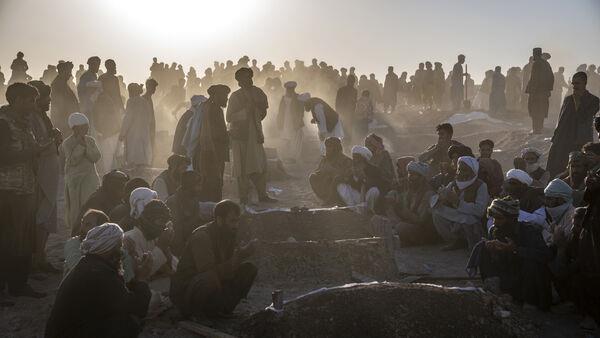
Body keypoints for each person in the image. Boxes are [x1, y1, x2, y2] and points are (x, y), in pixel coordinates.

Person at [45, 223, 151, 338]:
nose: (122, 253)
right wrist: (142, 279)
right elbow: (139, 307)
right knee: (129, 322)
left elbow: (119, 294)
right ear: (109, 248)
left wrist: (136, 277)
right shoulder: (98, 273)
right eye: (119, 247)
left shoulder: (89, 264)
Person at [170, 200, 258, 317]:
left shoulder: (228, 234)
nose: (236, 225)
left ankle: (221, 309)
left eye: (237, 221)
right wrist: (238, 257)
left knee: (249, 269)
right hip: (187, 291)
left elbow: (227, 269)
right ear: (219, 220)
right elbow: (209, 272)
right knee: (209, 278)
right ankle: (197, 314)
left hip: (213, 283)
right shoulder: (202, 237)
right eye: (232, 221)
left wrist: (242, 254)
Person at [0, 83, 45, 298]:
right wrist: (32, 152)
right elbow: (3, 157)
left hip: (25, 189)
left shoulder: (24, 123)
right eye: (30, 100)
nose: (33, 105)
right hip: (7, 192)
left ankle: (19, 285)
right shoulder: (3, 124)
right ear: (17, 100)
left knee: (24, 240)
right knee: (7, 241)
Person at [473, 197, 552, 311]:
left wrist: (515, 250)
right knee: (483, 249)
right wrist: (493, 251)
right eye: (493, 218)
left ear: (512, 219)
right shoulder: (494, 230)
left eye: (499, 218)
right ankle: (495, 290)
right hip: (509, 276)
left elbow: (546, 256)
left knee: (531, 261)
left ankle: (530, 301)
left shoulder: (530, 231)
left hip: (527, 280)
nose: (495, 222)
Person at [226, 68, 275, 204]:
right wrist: (245, 111)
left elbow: (263, 112)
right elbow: (229, 117)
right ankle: (243, 197)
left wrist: (255, 112)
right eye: (244, 78)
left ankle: (262, 195)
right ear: (239, 81)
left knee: (259, 166)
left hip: (255, 134)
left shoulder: (258, 92)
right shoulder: (235, 97)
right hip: (240, 136)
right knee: (242, 169)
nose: (248, 80)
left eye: (249, 77)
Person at [28, 81, 62, 273]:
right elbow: (34, 148)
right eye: (46, 96)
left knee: (46, 219)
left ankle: (41, 258)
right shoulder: (31, 119)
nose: (49, 100)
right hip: (39, 176)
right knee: (39, 219)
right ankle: (35, 261)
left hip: (49, 174)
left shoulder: (42, 117)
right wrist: (53, 140)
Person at [547, 72, 600, 177]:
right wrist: (555, 139)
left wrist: (577, 101)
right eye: (573, 84)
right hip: (563, 139)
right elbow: (561, 121)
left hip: (581, 140)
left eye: (577, 83)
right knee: (558, 167)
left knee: (579, 169)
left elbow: (584, 118)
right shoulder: (568, 99)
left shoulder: (594, 101)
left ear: (584, 83)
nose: (574, 86)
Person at [374, 161, 438, 247]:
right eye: (409, 174)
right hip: (407, 223)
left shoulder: (428, 194)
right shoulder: (410, 191)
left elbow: (420, 220)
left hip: (424, 231)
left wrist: (401, 209)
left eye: (413, 175)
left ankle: (395, 236)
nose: (410, 178)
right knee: (379, 218)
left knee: (401, 227)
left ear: (422, 177)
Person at [432, 156, 489, 250]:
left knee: (467, 219)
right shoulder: (454, 183)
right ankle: (455, 241)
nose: (460, 173)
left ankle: (472, 244)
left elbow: (480, 211)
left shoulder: (481, 185)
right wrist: (441, 198)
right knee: (437, 213)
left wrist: (458, 202)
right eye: (459, 169)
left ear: (473, 172)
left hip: (472, 218)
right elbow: (442, 195)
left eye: (464, 170)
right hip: (458, 215)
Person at [60, 112, 101, 228]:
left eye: (87, 126)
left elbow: (96, 157)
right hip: (75, 181)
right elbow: (73, 160)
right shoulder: (67, 143)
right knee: (76, 208)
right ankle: (77, 229)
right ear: (75, 128)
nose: (87, 128)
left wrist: (86, 146)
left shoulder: (90, 140)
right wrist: (81, 146)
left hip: (90, 178)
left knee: (91, 204)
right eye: (84, 127)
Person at [124, 199, 177, 284]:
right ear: (147, 220)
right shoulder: (130, 239)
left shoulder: (154, 238)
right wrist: (161, 246)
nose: (163, 226)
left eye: (165, 222)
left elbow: (173, 268)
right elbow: (143, 274)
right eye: (160, 221)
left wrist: (166, 248)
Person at [196, 85, 231, 201]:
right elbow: (217, 134)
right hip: (214, 152)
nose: (226, 99)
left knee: (208, 181)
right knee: (215, 182)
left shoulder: (206, 107)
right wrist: (230, 134)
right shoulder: (215, 110)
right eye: (224, 96)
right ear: (216, 96)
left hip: (207, 150)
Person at [167, 171, 213, 257]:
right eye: (198, 186)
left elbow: (196, 221)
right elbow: (177, 234)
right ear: (189, 186)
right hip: (178, 249)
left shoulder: (193, 199)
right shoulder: (173, 202)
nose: (201, 189)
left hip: (191, 241)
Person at [335, 146, 390, 214]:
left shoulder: (374, 170)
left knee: (374, 191)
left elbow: (379, 184)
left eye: (357, 157)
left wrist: (364, 178)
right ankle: (354, 209)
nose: (354, 159)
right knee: (341, 186)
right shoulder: (352, 168)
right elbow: (351, 183)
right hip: (357, 196)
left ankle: (368, 210)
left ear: (363, 158)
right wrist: (349, 177)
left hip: (367, 196)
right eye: (354, 157)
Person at [76, 170, 129, 236]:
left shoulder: (115, 198)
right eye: (120, 186)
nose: (123, 190)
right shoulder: (96, 200)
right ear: (111, 186)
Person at [63, 209, 109, 276]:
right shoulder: (73, 243)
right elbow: (77, 268)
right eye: (82, 223)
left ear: (100, 228)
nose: (82, 228)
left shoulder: (109, 244)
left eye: (88, 224)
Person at [119, 83, 154, 168]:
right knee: (143, 156)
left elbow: (128, 118)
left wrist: (122, 133)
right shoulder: (145, 101)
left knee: (133, 158)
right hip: (144, 132)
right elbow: (149, 118)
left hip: (133, 134)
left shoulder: (131, 101)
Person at [309, 137, 353, 205]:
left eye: (330, 147)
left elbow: (348, 177)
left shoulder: (345, 160)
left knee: (335, 179)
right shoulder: (325, 159)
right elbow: (318, 171)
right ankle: (326, 198)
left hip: (341, 186)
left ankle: (333, 199)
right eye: (327, 146)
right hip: (327, 184)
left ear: (336, 148)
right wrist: (321, 172)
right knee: (312, 177)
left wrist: (332, 171)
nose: (327, 149)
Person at [526, 48, 554, 134]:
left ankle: (536, 129)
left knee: (534, 110)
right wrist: (548, 89)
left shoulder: (536, 64)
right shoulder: (546, 63)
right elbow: (551, 77)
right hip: (544, 92)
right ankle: (539, 128)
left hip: (536, 92)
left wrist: (530, 89)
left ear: (535, 54)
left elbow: (534, 79)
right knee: (541, 110)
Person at [277, 81, 305, 163]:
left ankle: (294, 157)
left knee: (295, 140)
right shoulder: (283, 97)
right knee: (285, 139)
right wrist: (279, 122)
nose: (289, 90)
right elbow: (280, 111)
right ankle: (285, 157)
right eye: (288, 89)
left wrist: (299, 120)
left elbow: (301, 111)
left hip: (295, 122)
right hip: (285, 121)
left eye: (291, 89)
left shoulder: (298, 97)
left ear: (293, 89)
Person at [50, 61, 80, 134]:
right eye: (69, 72)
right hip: (64, 123)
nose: (70, 75)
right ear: (63, 71)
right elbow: (60, 106)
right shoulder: (58, 85)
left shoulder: (63, 84)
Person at [335, 75, 358, 145]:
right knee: (346, 128)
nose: (351, 82)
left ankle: (345, 143)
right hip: (345, 112)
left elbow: (354, 103)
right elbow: (337, 101)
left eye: (352, 81)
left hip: (347, 113)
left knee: (346, 128)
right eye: (351, 81)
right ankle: (345, 143)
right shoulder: (352, 91)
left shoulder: (352, 91)